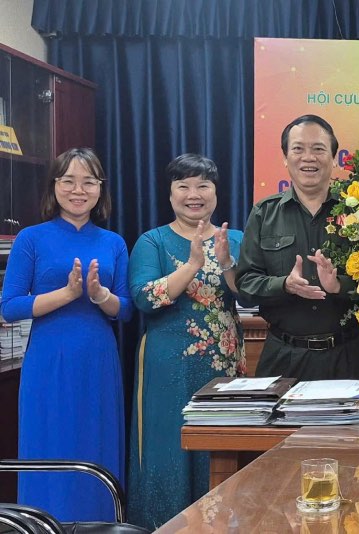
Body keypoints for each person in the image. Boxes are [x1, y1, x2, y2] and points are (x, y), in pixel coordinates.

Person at [0, 148, 132, 521]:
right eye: (68, 181)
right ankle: (45, 524)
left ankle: (102, 523)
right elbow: (9, 306)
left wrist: (100, 295)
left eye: (89, 182)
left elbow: (125, 309)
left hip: (98, 359)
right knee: (49, 444)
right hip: (48, 358)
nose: (78, 190)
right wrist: (68, 294)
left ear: (100, 189)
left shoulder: (113, 242)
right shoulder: (30, 238)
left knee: (96, 444)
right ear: (54, 186)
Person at [125, 154, 245, 529]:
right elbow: (145, 297)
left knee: (221, 453)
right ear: (170, 193)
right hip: (167, 366)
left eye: (203, 186)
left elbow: (249, 294)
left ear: (215, 192)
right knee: (168, 451)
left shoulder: (236, 239)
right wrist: (192, 265)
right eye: (184, 186)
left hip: (223, 365)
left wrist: (226, 263)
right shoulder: (153, 241)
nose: (194, 194)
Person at [236, 114, 359, 380]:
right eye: (298, 149)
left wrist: (340, 286)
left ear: (334, 158)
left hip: (348, 356)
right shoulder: (264, 213)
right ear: (285, 157)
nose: (308, 158)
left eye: (318, 149)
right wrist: (284, 285)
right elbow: (245, 284)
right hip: (284, 357)